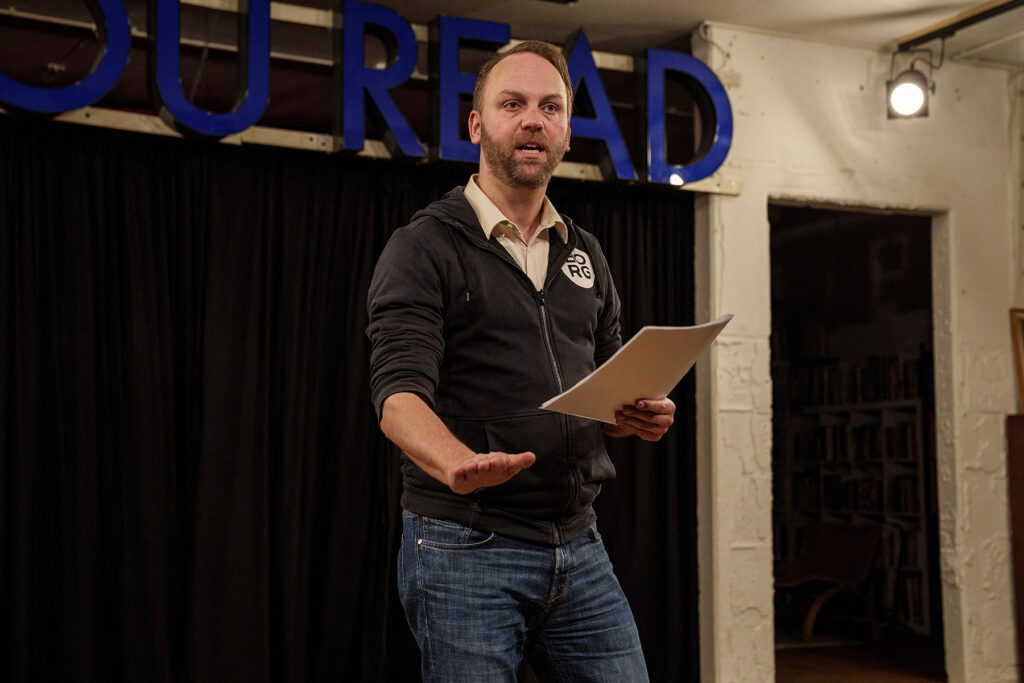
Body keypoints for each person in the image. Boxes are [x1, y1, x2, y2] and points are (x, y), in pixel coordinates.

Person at [366, 40, 675, 682]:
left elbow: (608, 391)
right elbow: (397, 397)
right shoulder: (423, 246)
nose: (533, 119)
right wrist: (456, 463)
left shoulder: (584, 252)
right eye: (513, 104)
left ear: (566, 133)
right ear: (477, 126)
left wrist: (635, 414)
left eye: (550, 107)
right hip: (464, 543)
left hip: (579, 541)